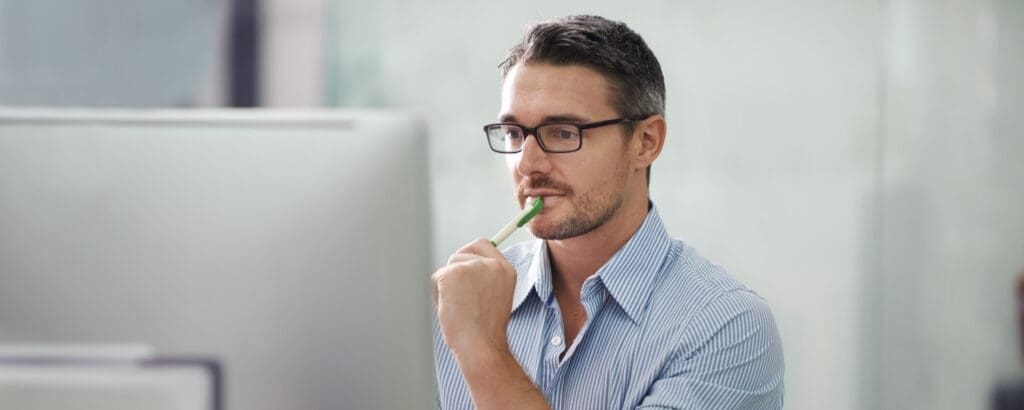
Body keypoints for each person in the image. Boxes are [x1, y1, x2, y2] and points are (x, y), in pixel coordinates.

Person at [431, 15, 784, 409]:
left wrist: (483, 351)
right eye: (514, 134)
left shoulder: (726, 326)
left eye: (564, 132)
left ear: (646, 142)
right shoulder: (454, 304)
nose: (527, 163)